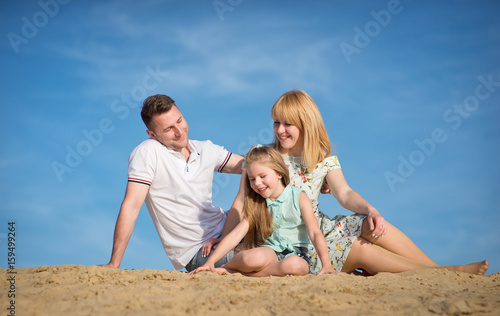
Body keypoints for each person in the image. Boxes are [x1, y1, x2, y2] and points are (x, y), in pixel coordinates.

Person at [269, 89, 488, 276]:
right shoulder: (267, 158)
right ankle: (445, 273)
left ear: (306, 124)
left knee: (373, 224)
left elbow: (344, 193)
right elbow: (236, 164)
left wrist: (371, 210)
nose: (280, 130)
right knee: (358, 247)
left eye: (288, 124)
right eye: (276, 122)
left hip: (322, 228)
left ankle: (440, 269)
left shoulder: (323, 160)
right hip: (297, 243)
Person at [100, 94, 244, 271]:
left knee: (261, 170)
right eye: (169, 129)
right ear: (153, 134)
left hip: (229, 227)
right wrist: (114, 263)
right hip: (199, 250)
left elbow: (254, 165)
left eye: (180, 120)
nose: (179, 131)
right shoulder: (147, 152)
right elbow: (131, 206)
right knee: (262, 256)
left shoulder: (204, 148)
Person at [190, 145, 335, 277]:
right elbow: (236, 235)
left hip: (297, 254)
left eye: (262, 176)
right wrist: (211, 261)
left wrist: (326, 264)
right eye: (252, 179)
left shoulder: (299, 198)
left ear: (279, 173)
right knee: (251, 258)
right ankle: (226, 267)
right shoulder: (258, 203)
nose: (257, 183)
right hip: (269, 251)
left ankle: (235, 273)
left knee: (295, 266)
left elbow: (315, 233)